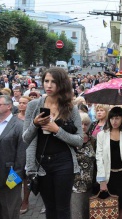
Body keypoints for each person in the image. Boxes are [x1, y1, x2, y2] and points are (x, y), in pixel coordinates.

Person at [23, 67, 83, 218]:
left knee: (63, 209)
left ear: (62, 84)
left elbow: (79, 140)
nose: (48, 85)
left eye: (53, 82)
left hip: (64, 162)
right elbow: (26, 138)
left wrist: (57, 130)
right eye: (46, 81)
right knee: (50, 208)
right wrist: (35, 124)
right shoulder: (33, 106)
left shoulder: (71, 108)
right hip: (41, 163)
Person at [96, 107, 122, 219]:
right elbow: (99, 157)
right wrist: (101, 180)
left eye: (117, 118)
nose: (114, 121)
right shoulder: (102, 135)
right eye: (112, 118)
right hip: (109, 175)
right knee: (108, 205)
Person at [0, 95, 26, 219]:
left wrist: (13, 181)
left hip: (9, 177)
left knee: (9, 212)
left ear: (9, 106)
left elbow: (21, 156)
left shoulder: (19, 125)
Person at [71, 112, 96, 219]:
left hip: (91, 184)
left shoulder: (93, 140)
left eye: (86, 124)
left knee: (88, 214)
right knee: (77, 214)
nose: (83, 126)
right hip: (75, 184)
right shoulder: (71, 140)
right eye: (80, 124)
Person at [18, 96, 32, 215]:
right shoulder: (14, 117)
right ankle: (15, 198)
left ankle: (25, 200)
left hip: (28, 150)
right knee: (15, 176)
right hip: (16, 152)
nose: (21, 105)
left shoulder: (32, 118)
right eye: (20, 103)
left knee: (27, 177)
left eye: (24, 103)